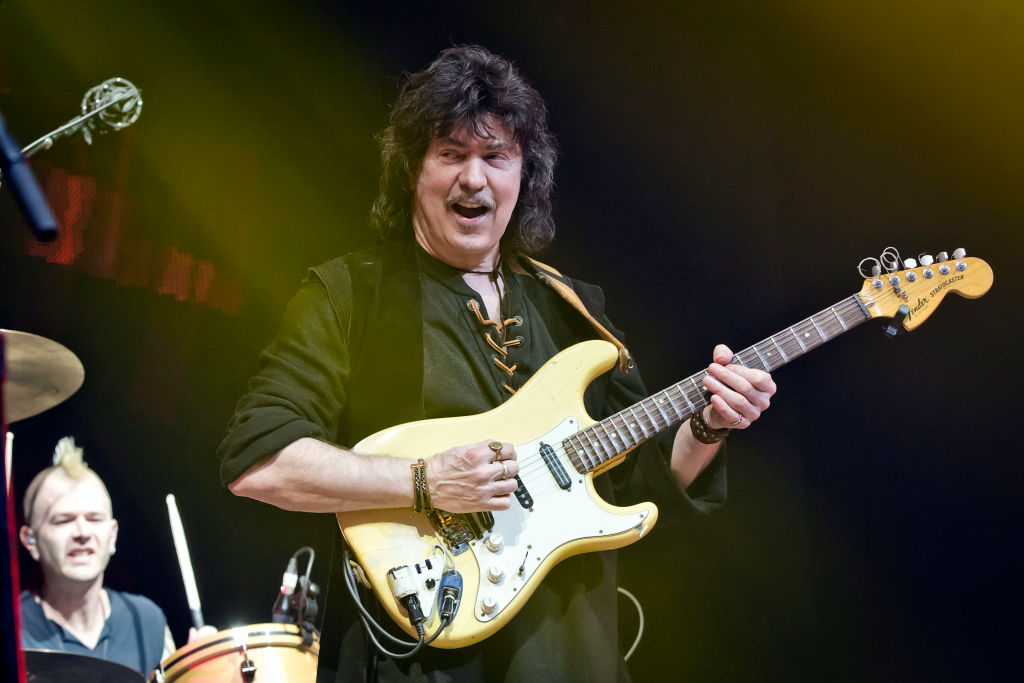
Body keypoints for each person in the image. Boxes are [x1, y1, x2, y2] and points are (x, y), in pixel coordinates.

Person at [219, 45, 776, 682]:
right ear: (412, 172)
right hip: (416, 660)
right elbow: (259, 460)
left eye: (495, 156)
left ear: (524, 175)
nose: (474, 178)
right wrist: (423, 481)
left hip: (570, 659)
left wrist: (709, 426)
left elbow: (646, 486)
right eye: (450, 154)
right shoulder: (349, 296)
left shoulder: (575, 311)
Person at [17, 437, 171, 675]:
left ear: (112, 536)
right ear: (31, 540)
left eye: (94, 519)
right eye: (63, 520)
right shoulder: (13, 627)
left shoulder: (147, 620)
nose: (82, 533)